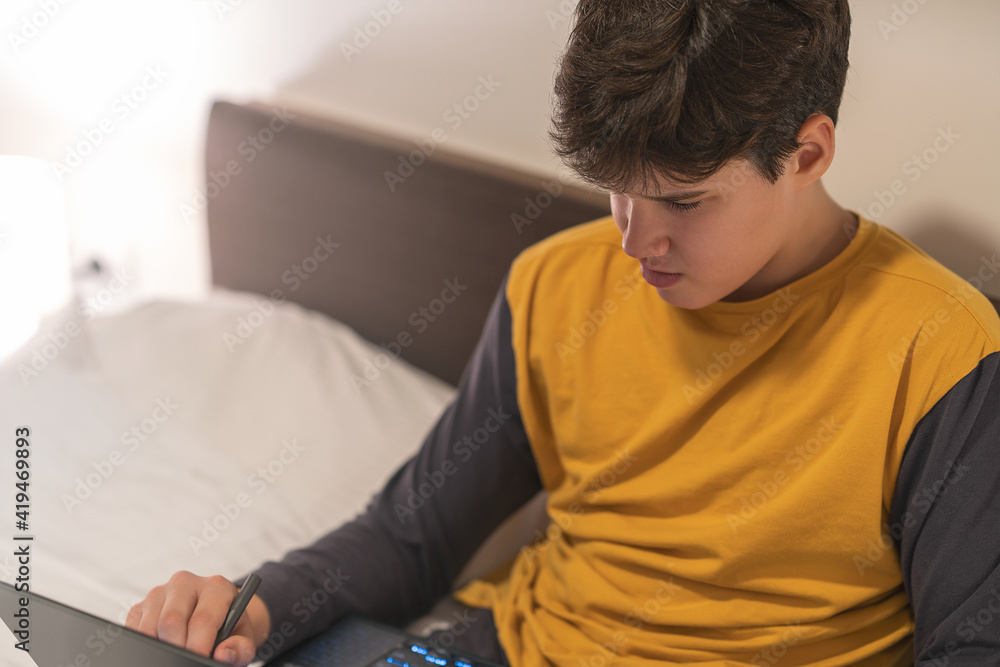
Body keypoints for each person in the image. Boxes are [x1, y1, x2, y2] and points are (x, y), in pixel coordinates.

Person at [125, 1, 1000, 665]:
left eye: (683, 201)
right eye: (616, 188)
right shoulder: (555, 284)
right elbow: (410, 536)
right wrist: (251, 605)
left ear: (807, 155)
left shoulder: (941, 352)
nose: (635, 239)